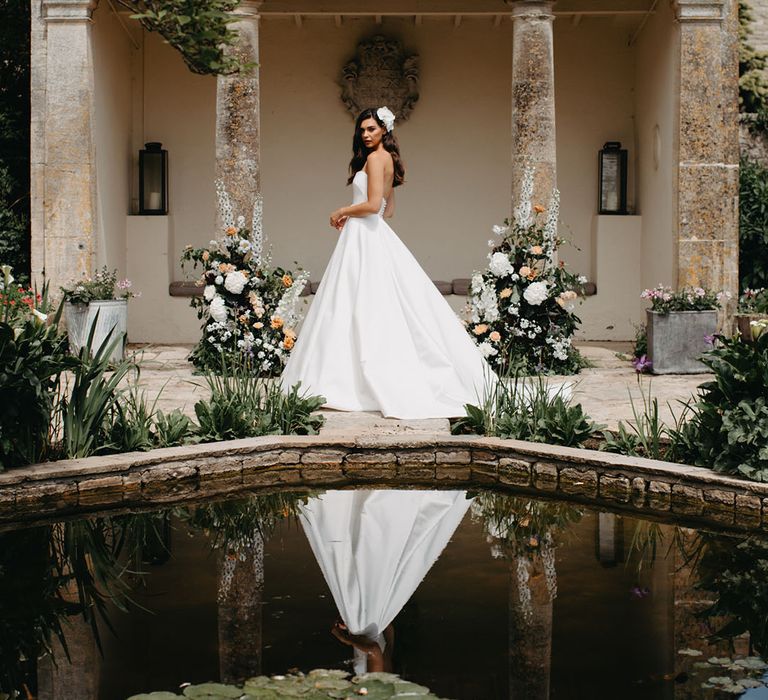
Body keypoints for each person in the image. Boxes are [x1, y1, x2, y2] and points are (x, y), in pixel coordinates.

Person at [279, 106, 498, 419]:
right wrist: (359, 215)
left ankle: (344, 380)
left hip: (364, 236)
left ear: (384, 130)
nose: (366, 135)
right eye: (363, 130)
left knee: (353, 303)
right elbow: (387, 209)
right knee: (369, 302)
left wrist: (343, 211)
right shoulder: (389, 160)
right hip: (371, 233)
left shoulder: (373, 158)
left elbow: (370, 205)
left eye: (372, 129)